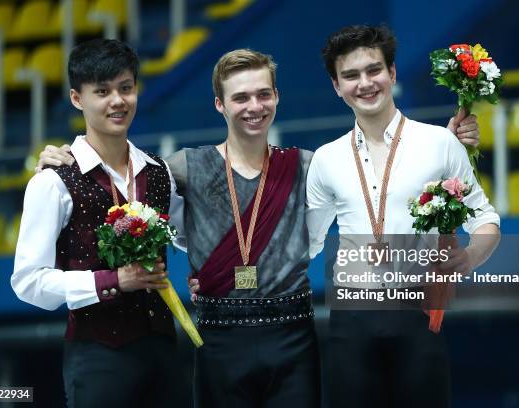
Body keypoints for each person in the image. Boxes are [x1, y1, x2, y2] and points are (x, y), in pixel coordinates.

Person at [36, 47, 482, 407]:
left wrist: (443, 144)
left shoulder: (310, 166)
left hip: (293, 339)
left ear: (277, 98)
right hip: (217, 342)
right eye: (241, 98)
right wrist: (63, 157)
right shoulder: (180, 168)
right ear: (220, 104)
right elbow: (128, 186)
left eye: (263, 94)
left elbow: (379, 170)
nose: (254, 106)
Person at [306, 25, 501, 407]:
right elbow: (305, 245)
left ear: (392, 73)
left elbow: (485, 219)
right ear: (336, 86)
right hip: (350, 318)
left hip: (418, 312)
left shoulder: (440, 143)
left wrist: (468, 258)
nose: (365, 83)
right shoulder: (326, 158)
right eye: (351, 75)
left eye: (373, 70)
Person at [11, 38, 185, 408]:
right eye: (102, 91)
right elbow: (28, 282)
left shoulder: (158, 172)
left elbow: (184, 236)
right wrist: (112, 281)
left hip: (165, 351)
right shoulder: (53, 180)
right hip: (98, 356)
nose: (117, 101)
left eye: (126, 88)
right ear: (77, 98)